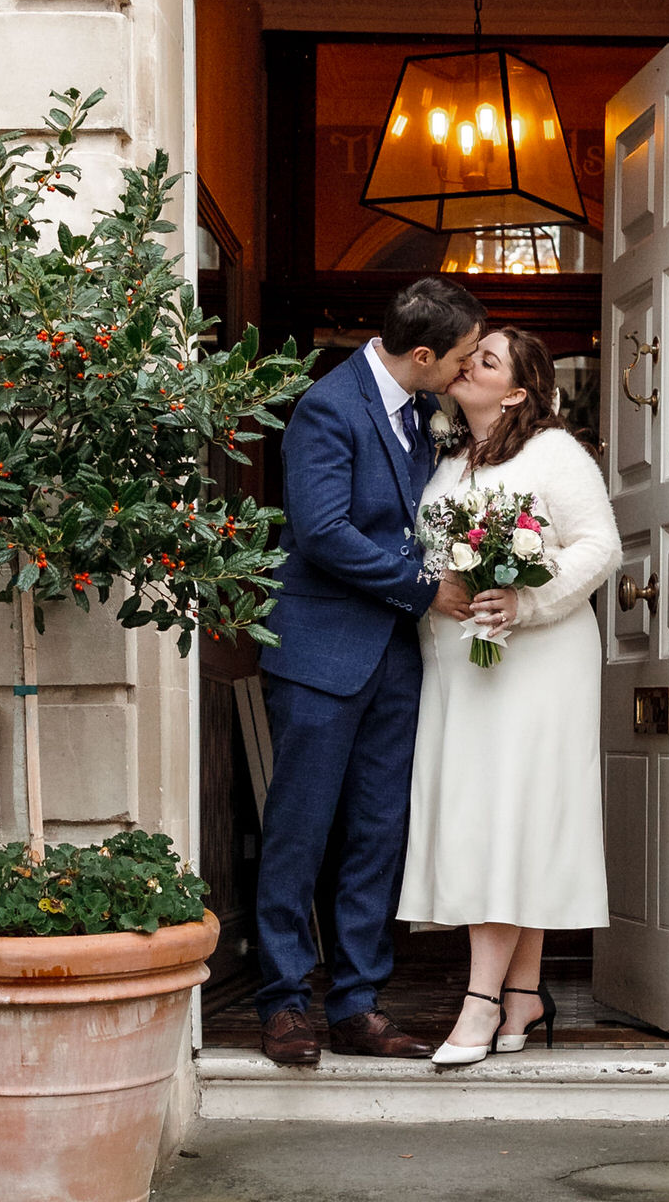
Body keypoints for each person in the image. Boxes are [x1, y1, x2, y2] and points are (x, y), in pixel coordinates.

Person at [251, 277, 489, 1066]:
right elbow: (321, 531)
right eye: (457, 360)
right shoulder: (328, 406)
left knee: (378, 834)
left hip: (396, 657)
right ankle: (284, 1002)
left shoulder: (427, 414)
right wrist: (426, 586)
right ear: (421, 355)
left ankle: (357, 1003)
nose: (463, 373)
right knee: (301, 832)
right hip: (321, 654)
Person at [399, 327, 622, 1068]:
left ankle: (481, 1001)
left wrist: (527, 603)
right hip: (460, 663)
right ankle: (523, 994)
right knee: (495, 819)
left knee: (505, 818)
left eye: (486, 360)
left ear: (520, 391)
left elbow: (598, 546)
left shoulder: (555, 452)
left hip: (540, 659)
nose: (469, 365)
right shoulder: (451, 456)